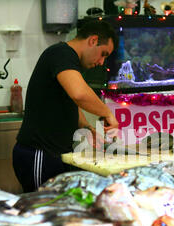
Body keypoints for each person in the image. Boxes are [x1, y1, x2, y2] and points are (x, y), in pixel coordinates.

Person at [13, 20, 119, 193]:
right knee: (43, 210)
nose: (101, 62)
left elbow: (71, 101)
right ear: (93, 40)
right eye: (103, 54)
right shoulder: (61, 53)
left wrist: (86, 127)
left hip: (55, 155)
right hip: (39, 154)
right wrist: (107, 112)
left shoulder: (70, 61)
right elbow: (79, 94)